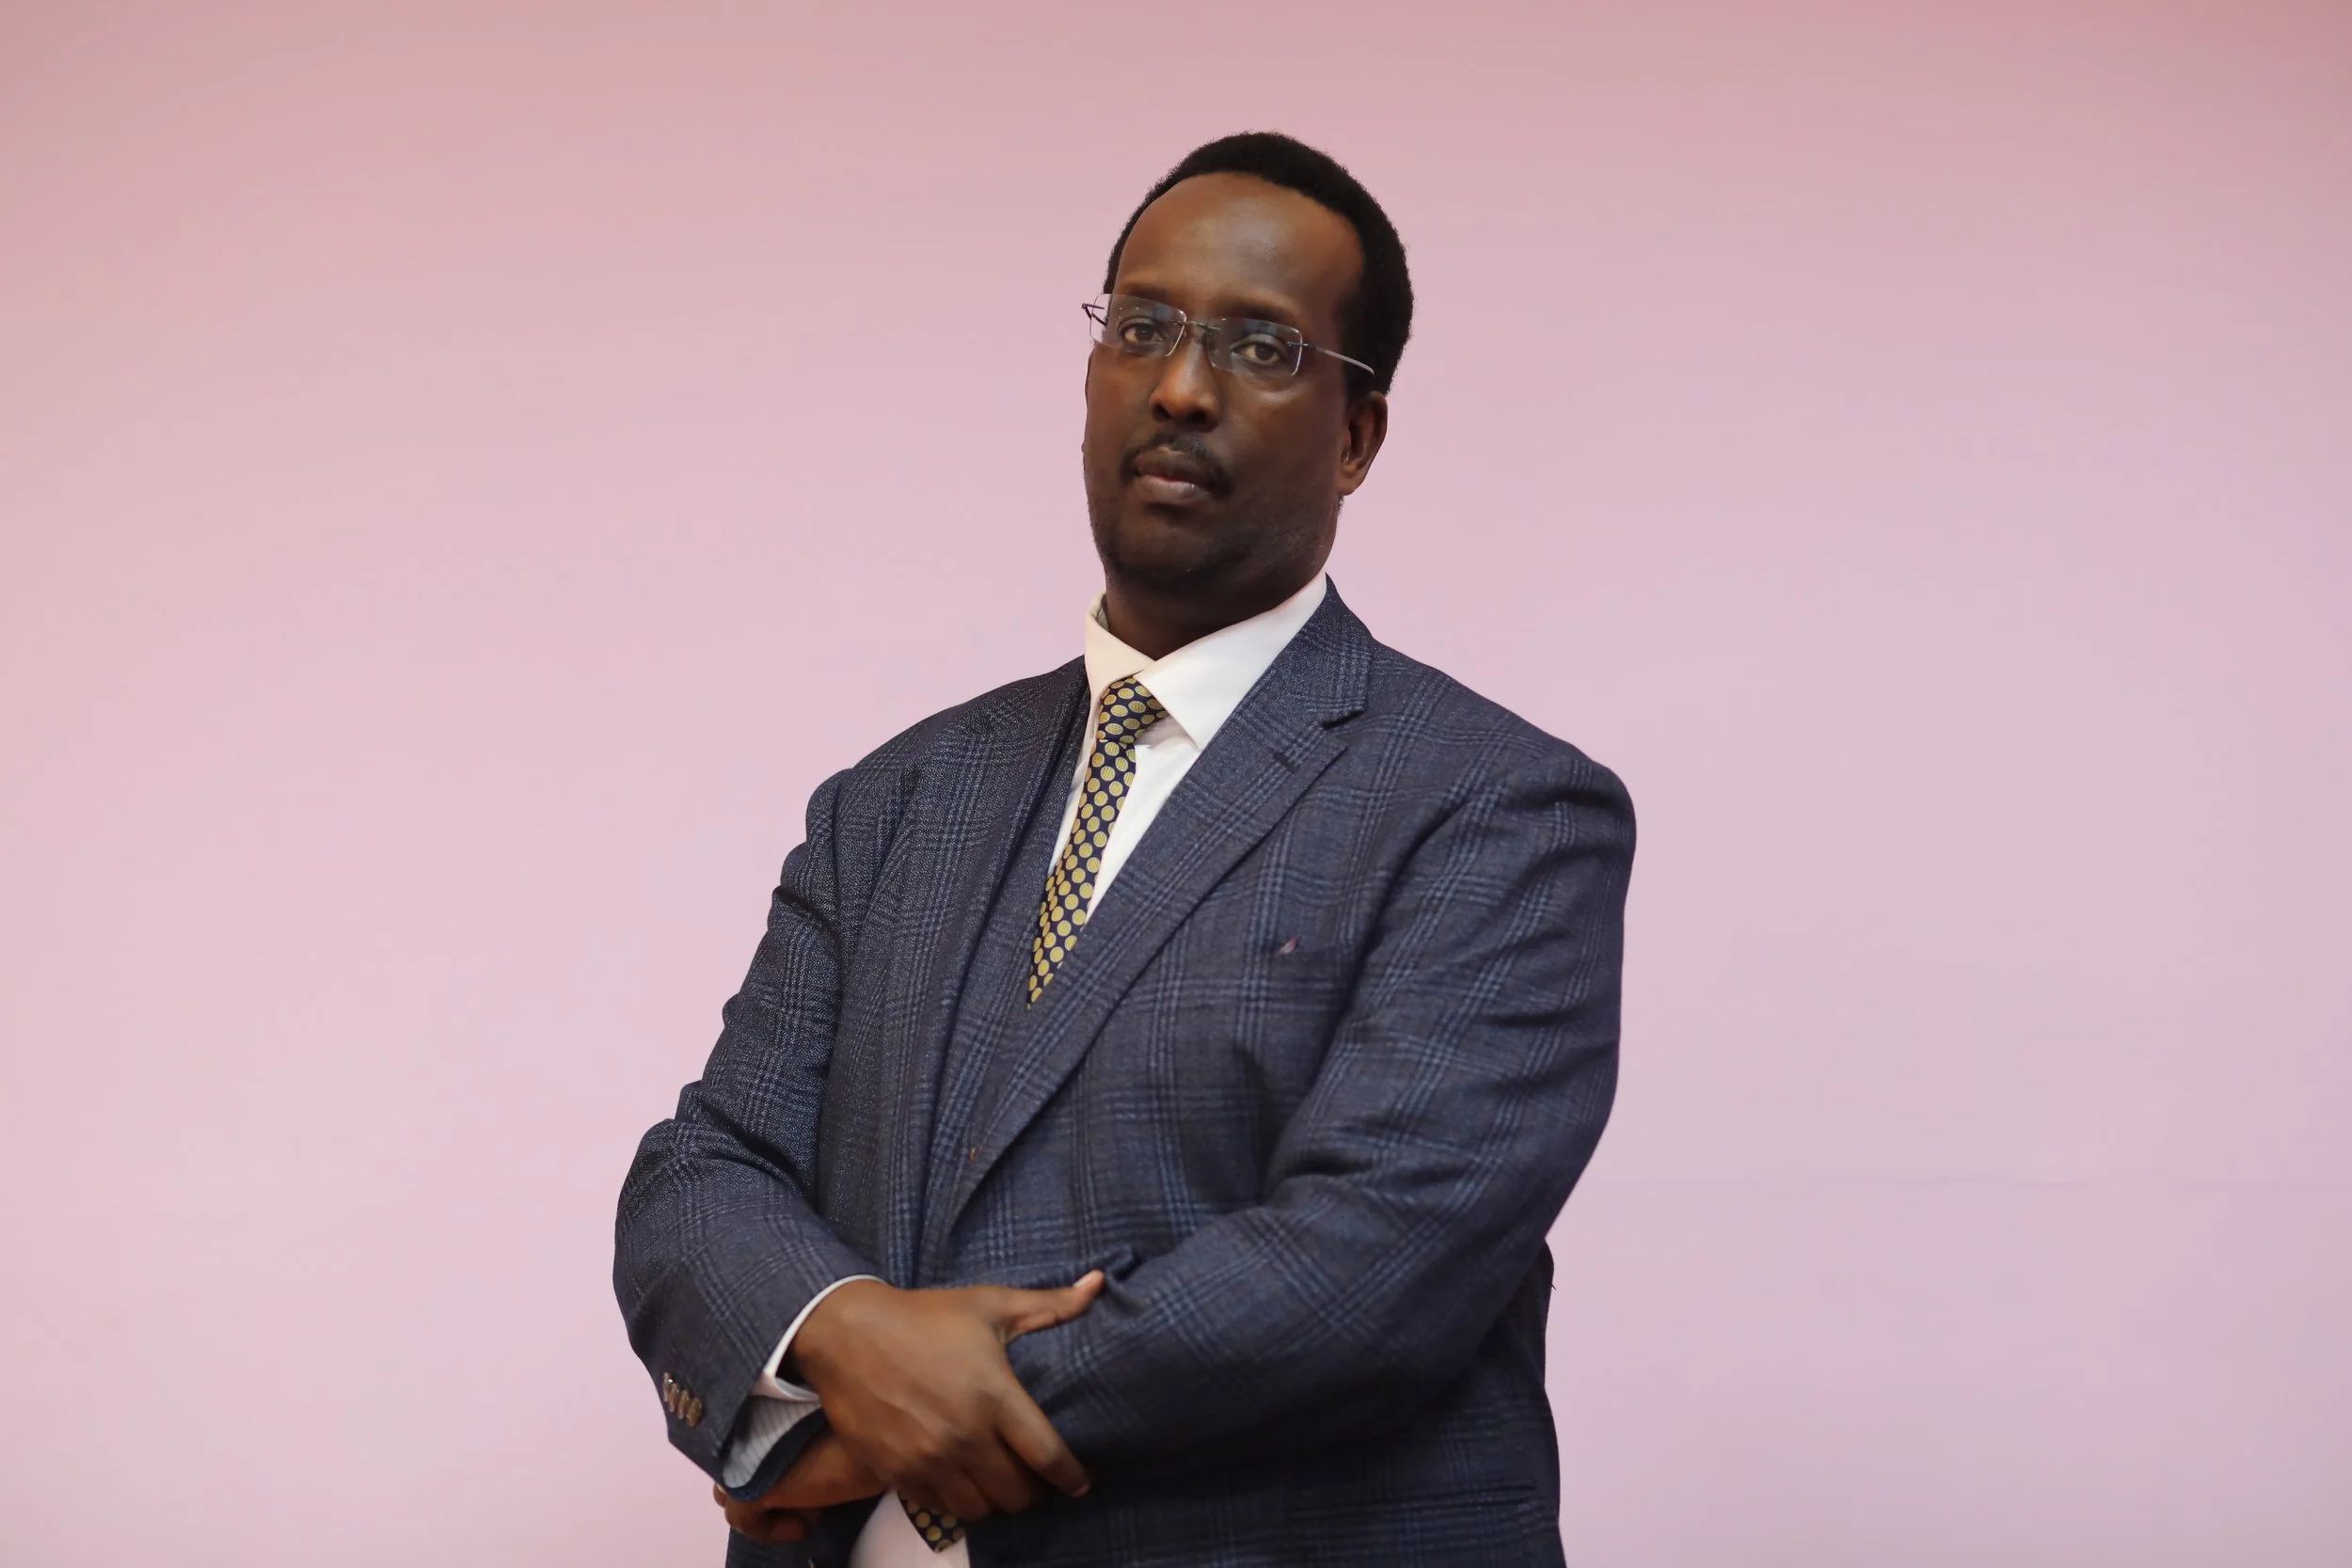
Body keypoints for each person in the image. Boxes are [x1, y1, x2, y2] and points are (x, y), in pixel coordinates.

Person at [614, 131, 1635, 1568]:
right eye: (1141, 326)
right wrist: (833, 1332)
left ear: (1356, 436)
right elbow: (704, 1170)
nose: (1178, 384)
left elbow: (1367, 1267)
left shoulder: (1498, 807)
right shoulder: (894, 798)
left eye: (1261, 346)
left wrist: (857, 1429)